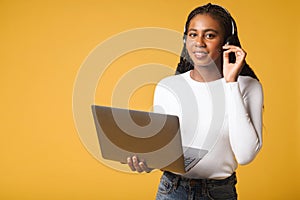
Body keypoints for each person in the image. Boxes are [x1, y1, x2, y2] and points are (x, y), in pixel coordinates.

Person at [127, 3, 263, 200]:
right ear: (185, 39)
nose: (199, 42)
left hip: (219, 193)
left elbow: (245, 155)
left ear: (227, 42)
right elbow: (162, 150)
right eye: (193, 34)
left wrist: (231, 83)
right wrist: (146, 161)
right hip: (171, 190)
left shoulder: (248, 87)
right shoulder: (168, 87)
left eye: (209, 35)